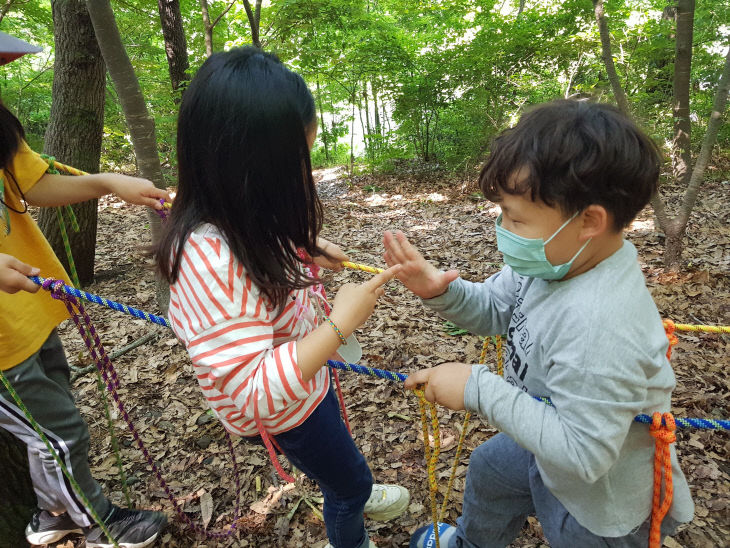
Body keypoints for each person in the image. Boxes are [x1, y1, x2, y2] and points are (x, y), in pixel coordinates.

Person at [384, 100, 695, 548]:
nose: (503, 227)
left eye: (516, 218)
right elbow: (494, 307)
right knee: (492, 469)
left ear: (589, 220)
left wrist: (478, 388)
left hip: (598, 504)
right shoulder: (554, 262)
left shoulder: (600, 323)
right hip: (545, 440)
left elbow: (585, 454)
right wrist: (438, 289)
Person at [155, 46, 409, 548]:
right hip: (287, 407)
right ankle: (351, 503)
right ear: (249, 168)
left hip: (307, 383)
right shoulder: (208, 259)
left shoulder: (243, 215)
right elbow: (252, 393)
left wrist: (307, 247)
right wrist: (339, 324)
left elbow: (261, 249)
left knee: (338, 450)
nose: (304, 175)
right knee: (347, 481)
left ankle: (347, 481)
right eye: (295, 162)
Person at [0, 35, 170, 548]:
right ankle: (97, 523)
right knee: (58, 431)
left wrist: (108, 182)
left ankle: (54, 511)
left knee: (55, 423)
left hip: (26, 315)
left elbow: (33, 186)